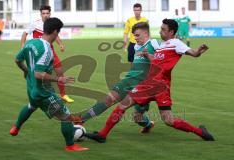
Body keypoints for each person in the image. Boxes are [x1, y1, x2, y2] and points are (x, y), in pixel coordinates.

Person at [85, 19, 215, 143]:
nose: (160, 31)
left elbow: (193, 52)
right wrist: (148, 55)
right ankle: (102, 135)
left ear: (171, 32)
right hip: (147, 84)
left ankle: (201, 132)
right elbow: (156, 62)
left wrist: (198, 51)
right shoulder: (161, 46)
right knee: (123, 105)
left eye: (163, 30)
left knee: (168, 120)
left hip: (161, 86)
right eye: (160, 28)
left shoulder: (176, 43)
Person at [10, 17, 89, 151]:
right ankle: (71, 145)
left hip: (31, 88)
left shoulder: (31, 43)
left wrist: (26, 71)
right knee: (65, 115)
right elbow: (39, 74)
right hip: (43, 91)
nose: (58, 34)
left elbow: (17, 60)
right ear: (54, 32)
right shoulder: (47, 50)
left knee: (31, 105)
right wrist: (59, 79)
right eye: (58, 31)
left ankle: (16, 127)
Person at [77, 22, 159, 134]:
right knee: (108, 99)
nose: (135, 38)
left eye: (137, 35)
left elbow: (160, 63)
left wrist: (149, 56)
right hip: (129, 81)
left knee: (137, 116)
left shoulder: (154, 44)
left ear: (145, 33)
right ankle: (81, 120)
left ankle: (148, 124)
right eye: (134, 35)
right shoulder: (136, 46)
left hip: (144, 87)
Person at [21, 5, 74, 103]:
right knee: (39, 74)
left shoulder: (52, 24)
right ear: (40, 14)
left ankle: (63, 94)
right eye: (43, 13)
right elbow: (24, 33)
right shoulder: (35, 24)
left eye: (47, 13)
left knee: (60, 71)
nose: (45, 15)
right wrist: (23, 46)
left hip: (51, 51)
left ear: (50, 14)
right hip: (39, 52)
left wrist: (61, 44)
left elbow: (55, 35)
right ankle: (37, 93)